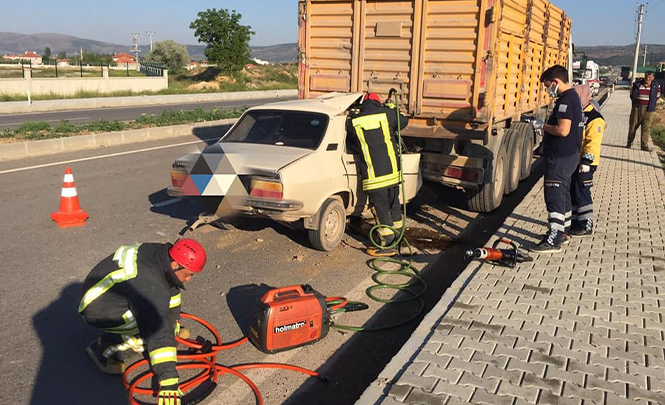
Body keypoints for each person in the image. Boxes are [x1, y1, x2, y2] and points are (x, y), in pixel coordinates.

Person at [78, 239, 207, 405]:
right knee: (151, 329)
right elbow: (157, 328)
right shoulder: (151, 283)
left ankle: (144, 334)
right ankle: (104, 346)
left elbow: (172, 290)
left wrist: (172, 326)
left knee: (160, 321)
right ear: (175, 265)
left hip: (112, 293)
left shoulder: (162, 256)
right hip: (97, 308)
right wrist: (169, 383)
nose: (189, 279)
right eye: (189, 274)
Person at [347, 92, 408, 256]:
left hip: (374, 178)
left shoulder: (353, 121)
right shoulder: (387, 114)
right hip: (392, 175)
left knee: (381, 210)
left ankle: (388, 245)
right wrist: (393, 108)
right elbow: (404, 122)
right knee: (394, 207)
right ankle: (398, 238)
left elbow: (351, 142)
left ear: (363, 105)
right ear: (378, 103)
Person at [531, 65, 584, 253]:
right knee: (563, 193)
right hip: (569, 155)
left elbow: (563, 130)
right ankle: (563, 232)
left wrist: (542, 126)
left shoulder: (566, 101)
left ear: (555, 82)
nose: (547, 90)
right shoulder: (573, 98)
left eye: (547, 86)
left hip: (560, 156)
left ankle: (553, 238)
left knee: (554, 194)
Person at [570, 85, 605, 237]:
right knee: (574, 191)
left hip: (586, 164)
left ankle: (586, 224)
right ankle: (575, 222)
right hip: (575, 161)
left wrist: (586, 162)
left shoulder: (594, 118)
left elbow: (593, 143)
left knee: (582, 192)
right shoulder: (579, 113)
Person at [628, 71, 662, 152]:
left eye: (649, 77)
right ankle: (629, 143)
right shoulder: (637, 84)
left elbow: (657, 96)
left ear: (653, 78)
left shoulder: (656, 86)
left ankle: (644, 145)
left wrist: (650, 103)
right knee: (633, 126)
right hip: (637, 108)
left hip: (649, 110)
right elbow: (632, 93)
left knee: (646, 128)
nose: (647, 78)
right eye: (646, 76)